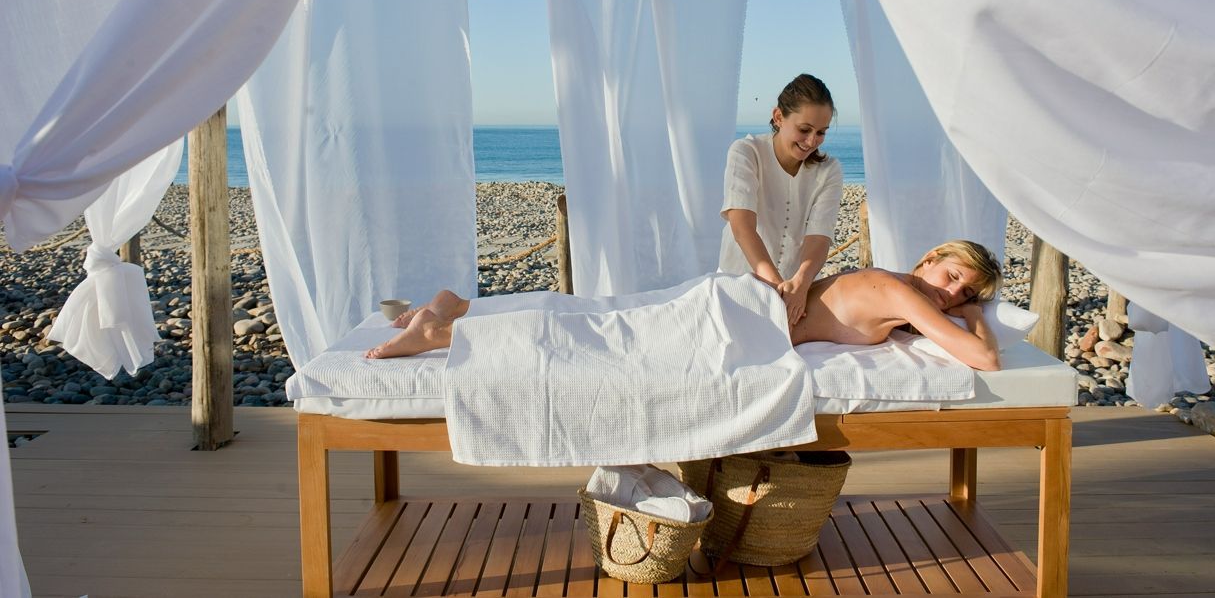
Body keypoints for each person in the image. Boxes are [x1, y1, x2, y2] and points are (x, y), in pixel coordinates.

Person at [365, 239, 1003, 371]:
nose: (951, 293)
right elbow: (982, 360)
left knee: (594, 315)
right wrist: (971, 319)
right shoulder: (901, 291)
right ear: (928, 259)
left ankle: (461, 310)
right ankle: (443, 335)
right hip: (738, 319)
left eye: (965, 292)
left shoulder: (894, 284)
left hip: (736, 307)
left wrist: (958, 307)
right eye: (951, 276)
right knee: (597, 336)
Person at [719, 74, 843, 327]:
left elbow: (819, 236)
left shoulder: (829, 170)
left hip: (795, 296)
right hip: (736, 286)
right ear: (778, 117)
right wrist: (777, 290)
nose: (812, 141)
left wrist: (800, 284)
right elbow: (742, 228)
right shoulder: (746, 152)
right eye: (804, 129)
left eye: (821, 132)